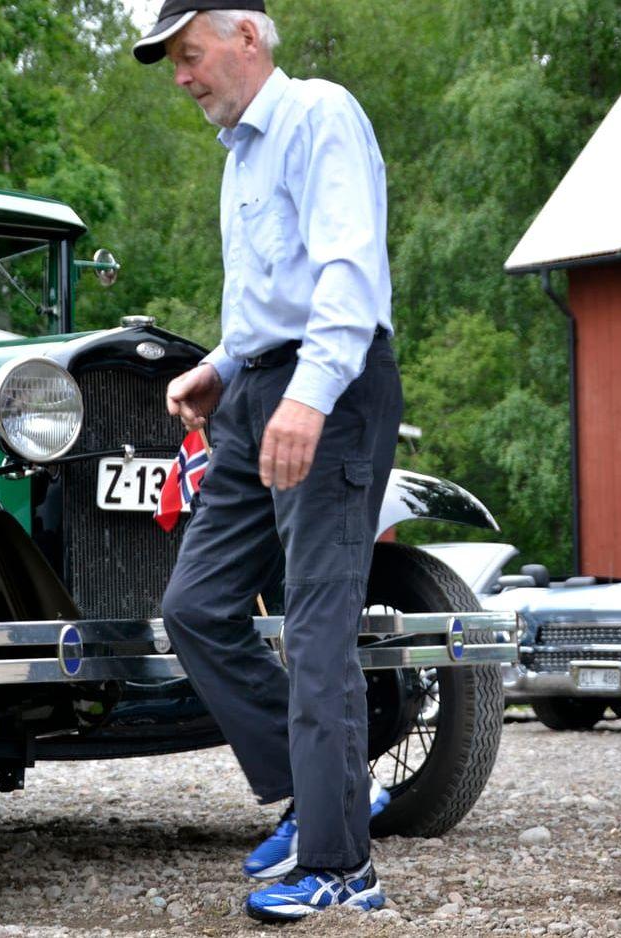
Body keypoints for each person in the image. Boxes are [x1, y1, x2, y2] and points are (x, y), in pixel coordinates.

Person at [133, 0, 400, 923]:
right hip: (257, 391)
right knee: (196, 607)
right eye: (172, 62)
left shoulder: (318, 114)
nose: (181, 75)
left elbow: (347, 274)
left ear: (246, 36)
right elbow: (265, 302)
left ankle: (340, 866)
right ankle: (328, 791)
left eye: (190, 53)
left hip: (330, 385)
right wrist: (220, 367)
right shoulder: (240, 154)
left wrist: (310, 394)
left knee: (317, 628)